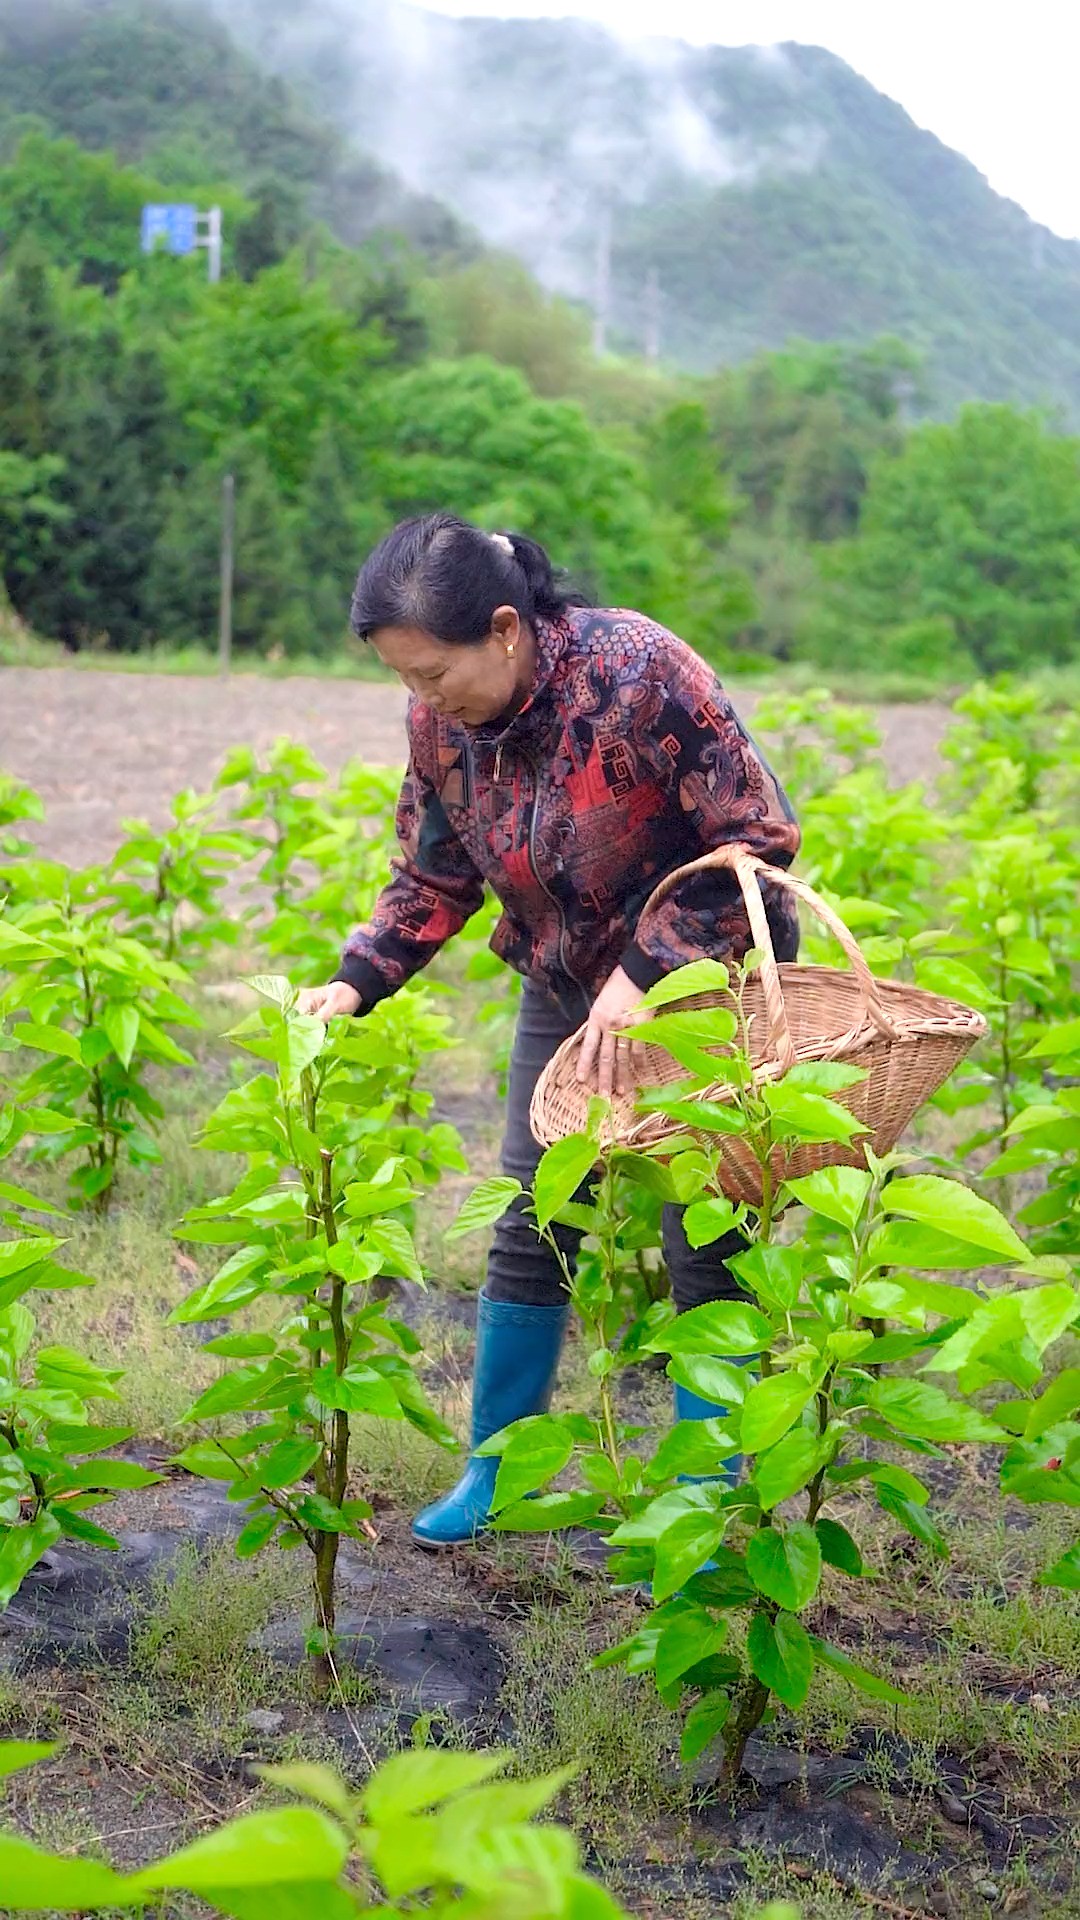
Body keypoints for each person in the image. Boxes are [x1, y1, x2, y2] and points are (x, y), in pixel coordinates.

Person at [301, 511, 801, 1548]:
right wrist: (357, 981)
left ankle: (705, 1510)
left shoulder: (639, 672)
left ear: (504, 628)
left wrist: (649, 969)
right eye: (403, 679)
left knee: (701, 1239)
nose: (421, 698)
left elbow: (756, 838)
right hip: (566, 989)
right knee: (534, 1214)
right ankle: (497, 1474)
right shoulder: (444, 728)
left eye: (432, 672)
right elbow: (435, 870)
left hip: (706, 994)